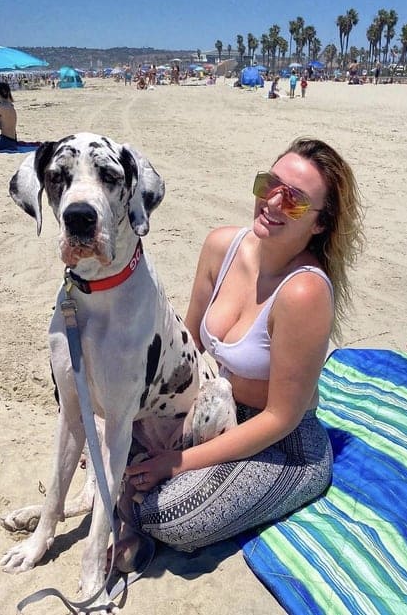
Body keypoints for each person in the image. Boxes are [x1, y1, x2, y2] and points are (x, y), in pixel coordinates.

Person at [123, 137, 364, 556]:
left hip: (280, 445)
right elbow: (190, 344)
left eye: (294, 201)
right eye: (268, 184)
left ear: (319, 223)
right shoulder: (222, 246)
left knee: (171, 515)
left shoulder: (303, 292)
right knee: (114, 442)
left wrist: (177, 463)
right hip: (206, 407)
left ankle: (139, 516)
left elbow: (280, 418)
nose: (272, 202)